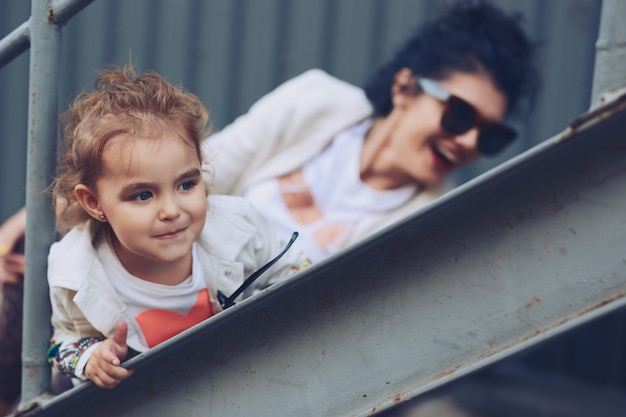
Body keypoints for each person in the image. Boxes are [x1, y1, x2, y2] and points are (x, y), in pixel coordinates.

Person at [203, 0, 540, 262]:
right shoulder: (314, 100)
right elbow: (198, 176)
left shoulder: (430, 225)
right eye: (460, 114)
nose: (469, 142)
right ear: (405, 88)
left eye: (490, 136)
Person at [45, 66, 308, 390]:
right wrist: (91, 357)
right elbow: (63, 342)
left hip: (238, 383)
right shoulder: (76, 271)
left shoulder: (240, 227)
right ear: (95, 203)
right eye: (142, 195)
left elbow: (295, 267)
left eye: (186, 185)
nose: (172, 210)